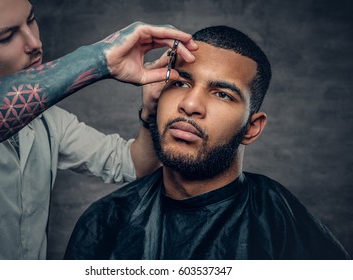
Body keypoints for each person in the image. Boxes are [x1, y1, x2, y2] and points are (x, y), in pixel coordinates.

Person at [64, 25, 351, 260]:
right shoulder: (104, 223)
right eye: (180, 83)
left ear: (251, 128)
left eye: (222, 94)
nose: (190, 104)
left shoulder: (279, 223)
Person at [0, 0, 198, 259]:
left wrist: (150, 113)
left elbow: (133, 163)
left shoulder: (49, 120)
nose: (34, 44)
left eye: (31, 20)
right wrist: (98, 59)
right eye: (6, 37)